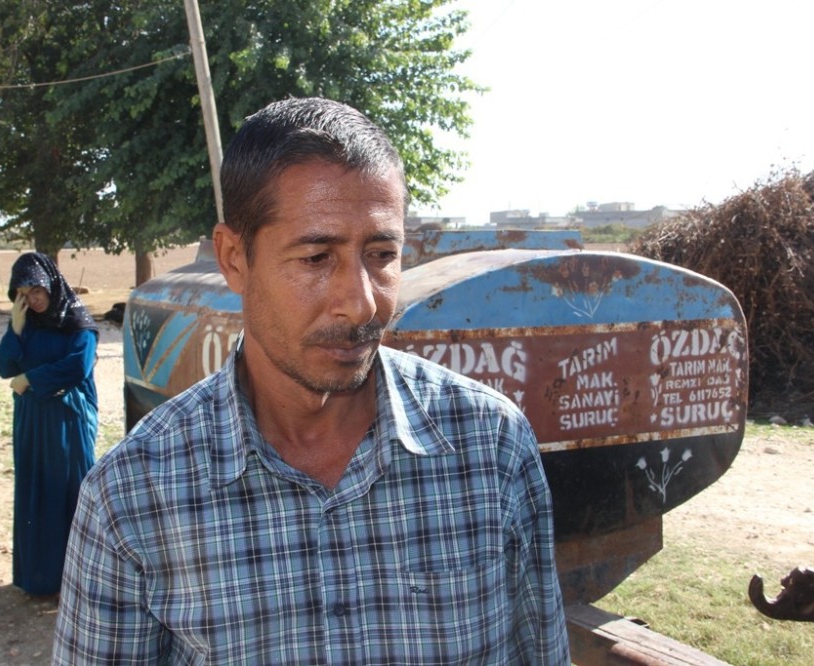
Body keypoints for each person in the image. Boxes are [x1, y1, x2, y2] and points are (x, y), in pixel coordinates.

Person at [53, 97, 569, 664]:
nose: (362, 303)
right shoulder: (132, 497)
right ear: (234, 258)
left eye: (382, 254)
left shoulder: (491, 446)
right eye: (317, 257)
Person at [0, 252, 99, 598]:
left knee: (67, 491)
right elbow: (4, 367)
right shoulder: (26, 324)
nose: (33, 300)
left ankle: (78, 581)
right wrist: (15, 328)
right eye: (24, 294)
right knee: (34, 491)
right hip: (31, 420)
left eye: (37, 291)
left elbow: (78, 367)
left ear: (51, 285)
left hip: (67, 419)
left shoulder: (78, 322)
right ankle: (40, 580)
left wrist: (30, 378)